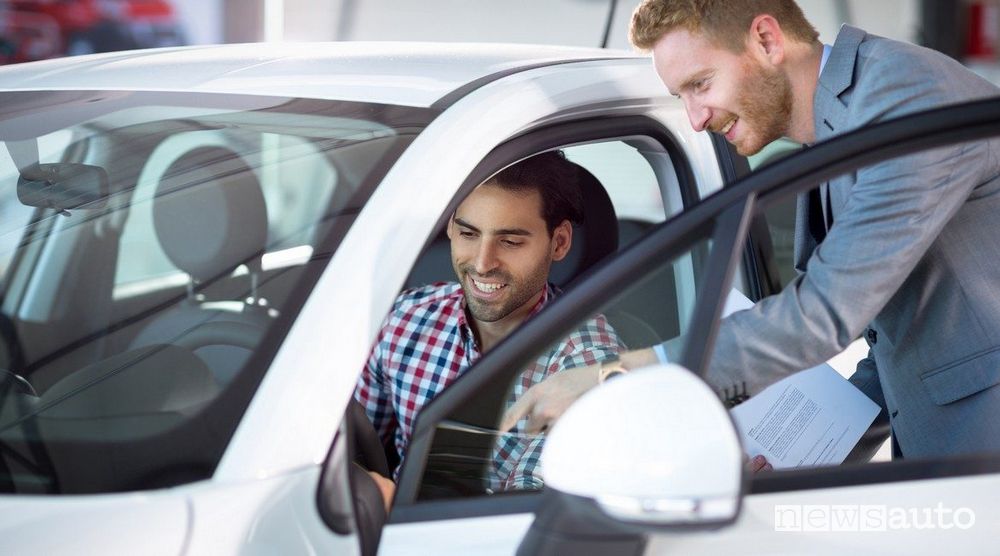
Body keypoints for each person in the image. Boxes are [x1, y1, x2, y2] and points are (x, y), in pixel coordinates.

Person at [504, 0, 1000, 461]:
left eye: (700, 84)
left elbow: (826, 313)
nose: (695, 120)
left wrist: (617, 376)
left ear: (766, 39)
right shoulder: (837, 117)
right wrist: (809, 458)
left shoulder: (905, 98)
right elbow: (897, 337)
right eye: (682, 96)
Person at [356, 151, 623, 506]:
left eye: (510, 242)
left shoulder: (587, 364)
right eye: (468, 233)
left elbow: (525, 519)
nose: (482, 264)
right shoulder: (407, 317)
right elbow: (352, 443)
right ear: (450, 226)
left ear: (559, 242)